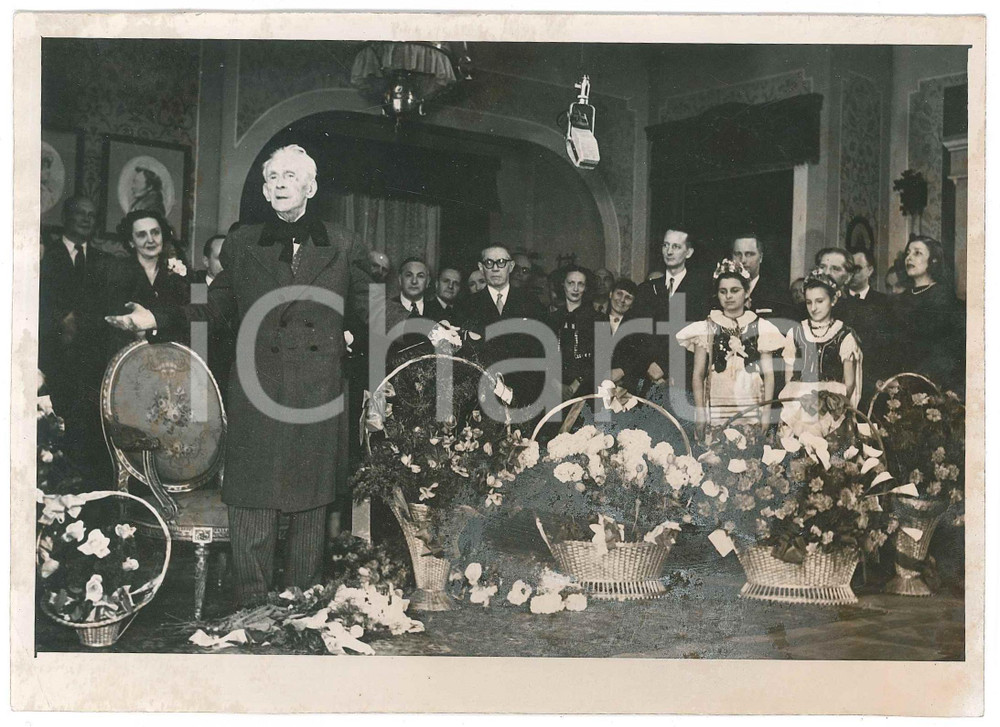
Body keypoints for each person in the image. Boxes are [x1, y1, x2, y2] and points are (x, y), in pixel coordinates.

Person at [106, 144, 372, 607]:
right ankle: (252, 605)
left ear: (311, 186)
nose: (280, 184)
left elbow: (372, 310)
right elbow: (216, 308)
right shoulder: (244, 243)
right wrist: (157, 319)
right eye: (272, 179)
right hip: (257, 385)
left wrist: (366, 334)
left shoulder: (344, 244)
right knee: (252, 499)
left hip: (318, 390)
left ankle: (302, 606)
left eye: (290, 176)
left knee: (310, 504)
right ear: (266, 193)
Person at [39, 195, 113, 479]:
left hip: (90, 362)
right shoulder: (48, 256)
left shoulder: (103, 260)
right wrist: (61, 322)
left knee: (88, 433)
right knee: (58, 429)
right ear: (67, 217)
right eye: (80, 213)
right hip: (56, 357)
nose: (86, 219)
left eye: (91, 215)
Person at [677, 260, 784, 441]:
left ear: (747, 292)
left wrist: (766, 414)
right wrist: (701, 413)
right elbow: (698, 374)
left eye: (735, 290)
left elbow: (769, 375)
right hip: (717, 406)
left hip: (751, 406)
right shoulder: (707, 327)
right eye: (723, 291)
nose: (729, 296)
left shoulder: (762, 327)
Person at [455, 245, 547, 408]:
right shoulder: (466, 305)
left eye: (501, 262)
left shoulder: (531, 304)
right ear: (481, 267)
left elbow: (539, 354)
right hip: (480, 399)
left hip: (522, 396)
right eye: (489, 263)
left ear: (511, 267)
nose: (495, 268)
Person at [631, 228, 709, 412]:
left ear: (688, 252)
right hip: (649, 376)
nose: (669, 251)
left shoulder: (701, 291)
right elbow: (637, 334)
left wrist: (665, 367)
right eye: (666, 245)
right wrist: (649, 365)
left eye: (676, 246)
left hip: (683, 379)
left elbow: (697, 339)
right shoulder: (647, 289)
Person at [779, 268, 864, 437]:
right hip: (799, 402)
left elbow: (850, 383)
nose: (814, 307)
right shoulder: (796, 333)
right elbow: (788, 377)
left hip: (832, 404)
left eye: (819, 301)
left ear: (833, 300)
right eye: (809, 302)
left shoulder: (844, 335)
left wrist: (834, 405)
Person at [105, 210, 192, 357]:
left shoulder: (182, 272)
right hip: (126, 356)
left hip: (169, 359)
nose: (151, 240)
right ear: (131, 242)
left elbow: (193, 321)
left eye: (155, 233)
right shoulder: (115, 271)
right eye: (141, 235)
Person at [890, 236, 965, 393]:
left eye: (917, 253)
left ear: (933, 261)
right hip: (901, 382)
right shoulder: (900, 299)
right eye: (908, 253)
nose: (909, 258)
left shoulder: (944, 298)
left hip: (934, 383)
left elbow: (947, 351)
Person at [548, 265, 597, 400]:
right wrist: (556, 384)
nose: (575, 289)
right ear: (563, 285)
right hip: (553, 389)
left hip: (586, 390)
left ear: (586, 287)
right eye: (571, 283)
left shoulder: (598, 319)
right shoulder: (551, 319)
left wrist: (577, 384)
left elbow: (600, 359)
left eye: (580, 284)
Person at [731, 234, 795, 331]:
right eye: (738, 254)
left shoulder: (778, 293)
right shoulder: (722, 293)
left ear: (760, 257)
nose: (743, 260)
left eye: (749, 254)